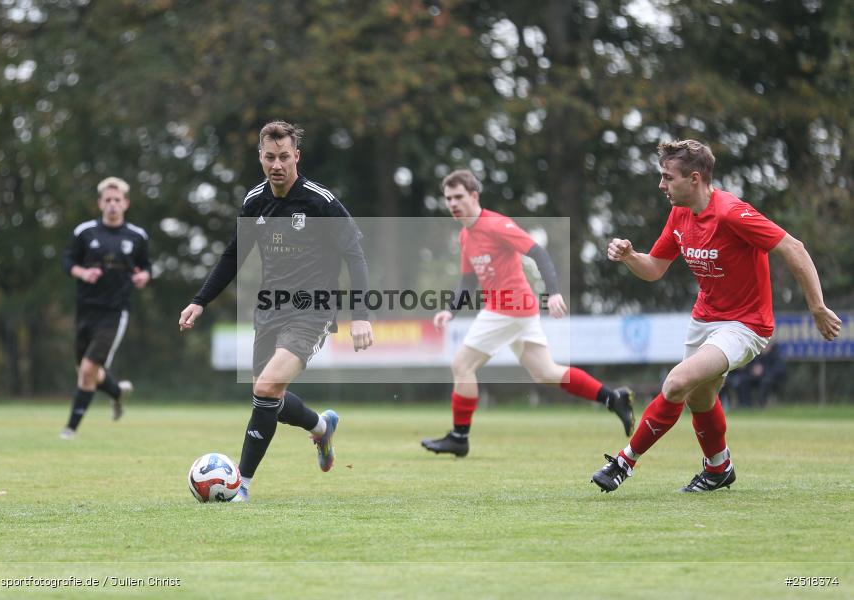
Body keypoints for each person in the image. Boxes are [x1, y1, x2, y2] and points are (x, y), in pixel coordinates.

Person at [591, 139, 841, 493]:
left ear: (694, 179)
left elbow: (793, 247)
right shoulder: (680, 213)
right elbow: (655, 269)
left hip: (746, 325)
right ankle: (718, 468)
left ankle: (623, 463)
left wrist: (816, 307)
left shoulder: (731, 213)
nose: (661, 185)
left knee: (677, 382)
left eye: (667, 177)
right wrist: (631, 255)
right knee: (699, 398)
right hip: (705, 318)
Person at [178, 121, 373, 502]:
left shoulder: (321, 202)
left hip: (313, 310)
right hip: (270, 310)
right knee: (267, 395)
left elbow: (355, 254)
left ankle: (241, 486)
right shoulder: (255, 202)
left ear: (296, 156)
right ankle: (320, 426)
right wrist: (200, 300)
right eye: (270, 157)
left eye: (285, 156)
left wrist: (361, 313)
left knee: (266, 389)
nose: (277, 164)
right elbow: (233, 256)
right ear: (261, 157)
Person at [421, 169, 635, 458]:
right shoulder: (465, 236)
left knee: (462, 365)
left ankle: (459, 437)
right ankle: (614, 398)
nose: (453, 204)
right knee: (546, 373)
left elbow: (538, 253)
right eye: (448, 199)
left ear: (474, 196)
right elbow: (469, 280)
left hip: (507, 308)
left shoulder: (496, 224)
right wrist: (450, 311)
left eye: (458, 197)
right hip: (516, 311)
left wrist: (554, 292)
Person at [60, 177, 151, 439]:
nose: (112, 204)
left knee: (88, 370)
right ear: (100, 203)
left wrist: (143, 276)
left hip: (114, 312)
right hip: (86, 310)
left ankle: (70, 429)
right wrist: (82, 272)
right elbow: (67, 261)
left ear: (126, 203)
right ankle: (117, 392)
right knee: (88, 373)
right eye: (108, 200)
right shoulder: (85, 232)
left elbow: (146, 266)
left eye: (117, 200)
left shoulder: (137, 236)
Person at [720, 341, 787, 408]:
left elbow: (779, 369)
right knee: (744, 380)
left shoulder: (776, 354)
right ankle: (745, 404)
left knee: (765, 382)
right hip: (755, 377)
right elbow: (749, 366)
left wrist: (764, 371)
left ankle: (762, 404)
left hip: (769, 378)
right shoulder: (756, 353)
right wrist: (753, 369)